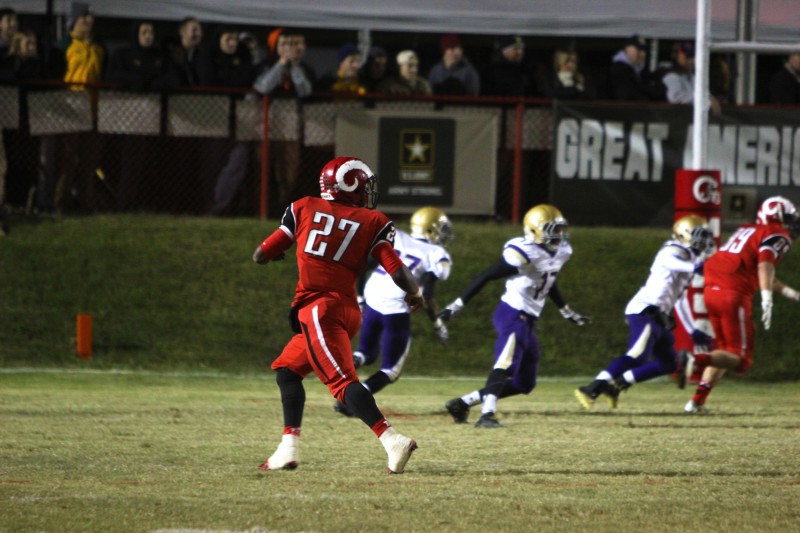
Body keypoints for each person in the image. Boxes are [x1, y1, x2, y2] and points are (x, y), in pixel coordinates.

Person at [253, 156, 422, 474]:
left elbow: (261, 254)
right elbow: (396, 269)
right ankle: (288, 448)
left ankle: (392, 440)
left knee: (343, 384)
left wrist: (277, 255)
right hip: (346, 310)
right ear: (350, 185)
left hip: (318, 309)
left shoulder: (302, 207)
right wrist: (415, 293)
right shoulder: (373, 221)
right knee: (288, 371)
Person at [439, 204, 590, 428]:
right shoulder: (524, 252)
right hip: (512, 313)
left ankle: (462, 403)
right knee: (505, 364)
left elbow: (548, 280)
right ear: (534, 230)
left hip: (529, 319)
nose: (558, 235)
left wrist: (566, 311)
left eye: (559, 229)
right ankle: (486, 415)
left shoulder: (561, 251)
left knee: (524, 383)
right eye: (552, 229)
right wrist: (457, 304)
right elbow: (487, 275)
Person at [574, 216, 715, 409]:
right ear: (684, 234)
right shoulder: (672, 250)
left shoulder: (689, 257)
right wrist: (699, 267)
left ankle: (617, 385)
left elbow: (680, 300)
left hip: (660, 315)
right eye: (700, 237)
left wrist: (692, 331)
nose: (705, 242)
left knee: (669, 364)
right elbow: (675, 264)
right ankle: (592, 388)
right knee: (636, 355)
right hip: (645, 310)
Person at [333, 206, 454, 417]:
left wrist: (360, 298)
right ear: (431, 229)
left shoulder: (397, 236)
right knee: (391, 370)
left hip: (373, 296)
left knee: (366, 353)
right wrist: (438, 324)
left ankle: (342, 371)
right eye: (442, 228)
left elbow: (363, 265)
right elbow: (427, 293)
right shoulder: (436, 253)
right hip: (396, 307)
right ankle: (353, 399)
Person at [683, 196, 800, 413]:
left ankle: (697, 402)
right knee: (741, 360)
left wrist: (793, 294)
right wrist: (766, 298)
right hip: (732, 293)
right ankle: (691, 360)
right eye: (789, 219)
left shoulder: (747, 230)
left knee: (726, 351)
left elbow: (764, 273)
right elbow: (765, 264)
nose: (792, 225)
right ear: (776, 216)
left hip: (712, 289)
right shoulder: (776, 233)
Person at [249, 27, 316, 212]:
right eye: (283, 44)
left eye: (291, 44)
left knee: (288, 175)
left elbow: (305, 91)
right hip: (264, 129)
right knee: (262, 173)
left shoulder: (303, 69)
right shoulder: (265, 66)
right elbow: (262, 88)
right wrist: (281, 64)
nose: (288, 48)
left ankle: (284, 212)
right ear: (275, 46)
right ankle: (259, 211)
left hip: (290, 129)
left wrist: (292, 67)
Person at [105, 20, 176, 91]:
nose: (148, 36)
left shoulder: (161, 56)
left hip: (155, 99)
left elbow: (172, 77)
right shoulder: (122, 55)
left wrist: (157, 83)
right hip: (127, 98)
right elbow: (111, 75)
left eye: (151, 33)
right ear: (136, 34)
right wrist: (136, 79)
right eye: (144, 32)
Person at [661, 41, 721, 114]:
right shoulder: (670, 76)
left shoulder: (694, 77)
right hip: (672, 120)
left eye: (692, 57)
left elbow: (706, 94)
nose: (691, 61)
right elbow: (676, 98)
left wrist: (710, 99)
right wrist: (705, 99)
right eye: (687, 57)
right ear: (676, 57)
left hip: (691, 119)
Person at [608, 34, 664, 101]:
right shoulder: (619, 70)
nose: (643, 54)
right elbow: (627, 95)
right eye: (639, 49)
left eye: (644, 50)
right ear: (628, 49)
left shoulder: (639, 70)